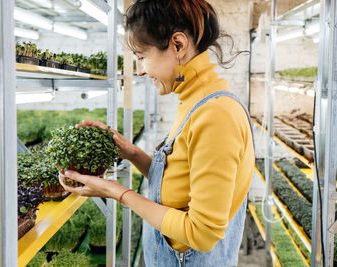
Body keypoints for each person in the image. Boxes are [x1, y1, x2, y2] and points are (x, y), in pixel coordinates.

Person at [58, 0, 255, 266]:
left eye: (141, 56)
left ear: (178, 45)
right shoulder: (194, 100)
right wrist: (131, 152)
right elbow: (179, 182)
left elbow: (202, 233)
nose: (139, 70)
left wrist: (118, 193)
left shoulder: (215, 115)